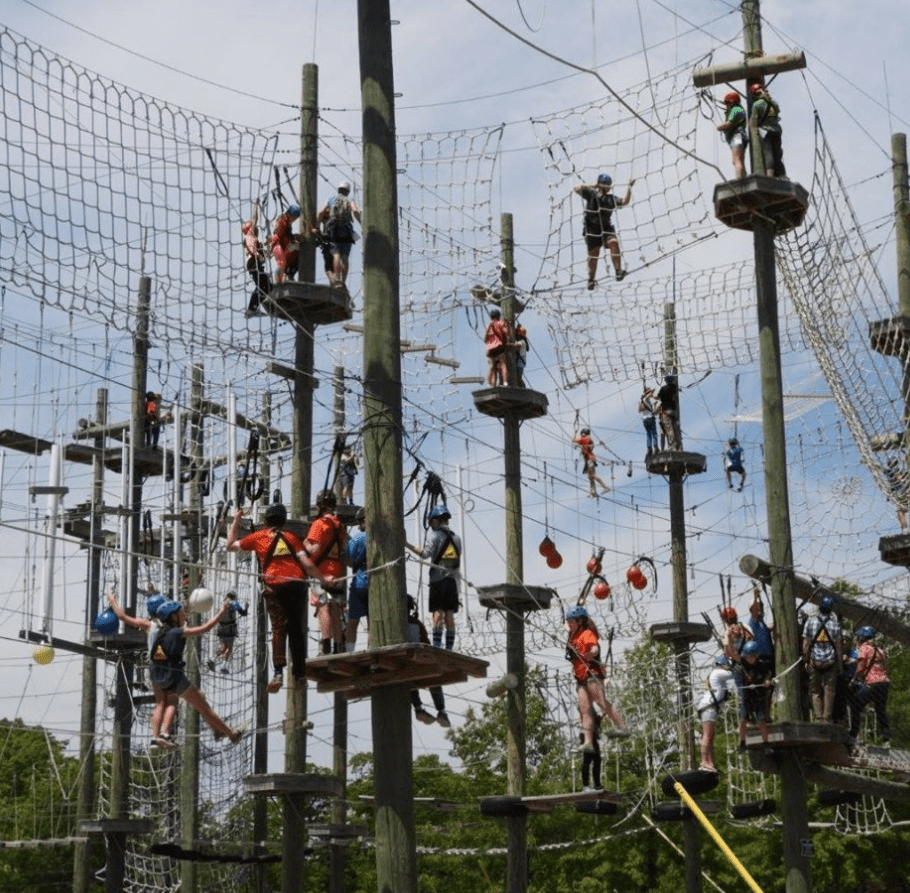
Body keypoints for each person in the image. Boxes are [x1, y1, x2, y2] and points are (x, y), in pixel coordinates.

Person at [227, 502, 335, 693]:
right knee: (296, 629)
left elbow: (230, 546)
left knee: (278, 627)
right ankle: (300, 674)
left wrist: (236, 521)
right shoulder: (292, 538)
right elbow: (307, 565)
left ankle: (278, 672)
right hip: (296, 585)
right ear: (284, 521)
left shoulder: (258, 537)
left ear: (266, 521)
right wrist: (323, 579)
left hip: (274, 587)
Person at [564, 606, 626, 757]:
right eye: (569, 622)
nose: (570, 625)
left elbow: (595, 648)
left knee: (600, 701)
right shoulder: (573, 636)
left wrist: (588, 655)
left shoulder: (586, 634)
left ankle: (623, 727)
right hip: (580, 677)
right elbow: (566, 628)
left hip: (592, 673)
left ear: (580, 621)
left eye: (572, 622)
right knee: (585, 710)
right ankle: (588, 742)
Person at [407, 504, 462, 651]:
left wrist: (407, 545)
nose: (431, 525)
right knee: (449, 614)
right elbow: (456, 562)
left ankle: (437, 646)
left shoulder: (435, 535)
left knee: (437, 613)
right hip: (452, 581)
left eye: (432, 521)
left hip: (438, 581)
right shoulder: (457, 539)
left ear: (437, 520)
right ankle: (449, 648)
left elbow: (425, 554)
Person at [303, 489, 348, 654]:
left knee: (323, 608)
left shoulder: (319, 524)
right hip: (337, 570)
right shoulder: (339, 525)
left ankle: (326, 646)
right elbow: (343, 548)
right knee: (335, 608)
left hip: (321, 572)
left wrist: (304, 545)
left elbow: (314, 549)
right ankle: (338, 646)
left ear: (319, 506)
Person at [573, 173, 634, 289]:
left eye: (609, 185)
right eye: (606, 184)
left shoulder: (611, 198)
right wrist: (593, 185)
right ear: (600, 185)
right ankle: (591, 280)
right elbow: (576, 188)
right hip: (592, 229)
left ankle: (618, 271)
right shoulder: (591, 194)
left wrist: (629, 187)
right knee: (594, 253)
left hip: (606, 228)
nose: (608, 187)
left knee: (614, 243)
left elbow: (625, 201)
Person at [406, 596, 450, 727]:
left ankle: (418, 708)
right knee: (433, 678)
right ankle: (441, 710)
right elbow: (426, 643)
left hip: (404, 663)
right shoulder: (416, 623)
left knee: (408, 683)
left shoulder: (392, 624)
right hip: (419, 660)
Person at [801, 594, 843, 723]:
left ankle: (818, 717)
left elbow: (806, 644)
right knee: (829, 690)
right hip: (830, 661)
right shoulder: (835, 625)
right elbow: (838, 646)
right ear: (831, 610)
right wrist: (840, 664)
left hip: (815, 661)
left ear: (820, 608)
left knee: (815, 691)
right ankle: (827, 717)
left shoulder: (810, 622)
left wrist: (806, 660)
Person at [849, 627, 891, 746]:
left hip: (872, 683)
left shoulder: (864, 648)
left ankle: (853, 734)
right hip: (884, 682)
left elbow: (861, 667)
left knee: (856, 705)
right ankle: (886, 736)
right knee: (880, 709)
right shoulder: (879, 649)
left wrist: (855, 678)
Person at [316, 181, 362, 287]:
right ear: (348, 191)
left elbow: (320, 213)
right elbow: (355, 212)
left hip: (334, 229)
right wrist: (361, 224)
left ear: (338, 189)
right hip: (346, 229)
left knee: (336, 254)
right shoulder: (350, 200)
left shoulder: (331, 199)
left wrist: (318, 227)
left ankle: (337, 280)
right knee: (345, 256)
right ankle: (343, 281)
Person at [696, 655, 738, 771]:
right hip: (709, 707)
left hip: (710, 707)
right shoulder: (718, 672)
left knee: (710, 736)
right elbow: (734, 674)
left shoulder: (717, 675)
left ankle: (709, 762)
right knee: (707, 735)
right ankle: (704, 762)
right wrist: (738, 662)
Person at [737, 641, 773, 750]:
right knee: (743, 720)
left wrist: (767, 682)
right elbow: (738, 682)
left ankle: (766, 743)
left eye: (752, 656)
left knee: (761, 721)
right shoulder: (741, 667)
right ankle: (742, 743)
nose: (750, 658)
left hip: (758, 696)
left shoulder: (761, 665)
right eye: (748, 656)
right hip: (746, 697)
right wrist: (746, 684)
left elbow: (768, 675)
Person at [748, 82, 786, 178]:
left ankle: (770, 176)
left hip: (766, 132)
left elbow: (753, 122)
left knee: (768, 154)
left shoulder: (757, 105)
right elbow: (778, 111)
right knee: (778, 155)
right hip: (776, 131)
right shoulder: (773, 103)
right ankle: (782, 175)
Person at [345, 507, 368, 651]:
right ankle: (373, 651)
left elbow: (349, 559)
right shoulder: (382, 535)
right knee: (374, 622)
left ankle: (349, 651)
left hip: (360, 584)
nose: (359, 525)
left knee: (353, 621)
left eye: (360, 521)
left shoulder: (358, 538)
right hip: (377, 585)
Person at [241, 218, 272, 314]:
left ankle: (257, 305)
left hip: (255, 264)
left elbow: (260, 251)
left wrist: (266, 252)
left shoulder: (254, 240)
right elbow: (252, 250)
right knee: (262, 286)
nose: (257, 232)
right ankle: (252, 308)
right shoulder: (249, 238)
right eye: (255, 230)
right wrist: (259, 255)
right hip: (254, 264)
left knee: (268, 286)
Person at [717, 91, 748, 180]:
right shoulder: (739, 109)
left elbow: (729, 124)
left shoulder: (735, 109)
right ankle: (743, 178)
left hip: (737, 136)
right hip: (740, 136)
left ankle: (740, 181)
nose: (726, 106)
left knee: (736, 160)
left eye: (726, 104)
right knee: (739, 159)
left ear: (730, 102)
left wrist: (719, 127)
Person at [212, 591, 248, 666]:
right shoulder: (234, 603)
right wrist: (246, 607)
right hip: (230, 628)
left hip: (221, 628)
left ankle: (213, 659)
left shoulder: (223, 603)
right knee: (229, 648)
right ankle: (224, 665)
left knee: (223, 647)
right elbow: (243, 613)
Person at [573, 427, 610, 498]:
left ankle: (605, 487)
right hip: (588, 460)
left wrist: (575, 433)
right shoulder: (588, 440)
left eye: (582, 434)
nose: (581, 435)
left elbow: (575, 440)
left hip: (590, 460)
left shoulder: (586, 439)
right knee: (590, 477)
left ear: (584, 433)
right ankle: (593, 492)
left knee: (592, 475)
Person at [270, 205, 300, 284]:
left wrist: (293, 238)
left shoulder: (285, 221)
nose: (295, 220)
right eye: (295, 217)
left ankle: (285, 277)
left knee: (290, 260)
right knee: (284, 262)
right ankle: (279, 279)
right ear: (291, 215)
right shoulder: (283, 221)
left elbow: (285, 235)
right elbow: (280, 234)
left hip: (283, 245)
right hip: (280, 245)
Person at [484, 307, 512, 387]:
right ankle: (505, 382)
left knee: (492, 367)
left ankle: (490, 383)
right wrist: (508, 325)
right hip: (499, 347)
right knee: (503, 365)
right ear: (498, 316)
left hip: (491, 349)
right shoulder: (500, 323)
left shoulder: (488, 326)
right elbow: (507, 333)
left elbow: (485, 339)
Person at [883, 457, 908, 532]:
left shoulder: (893, 472)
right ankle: (904, 526)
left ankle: (904, 526)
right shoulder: (893, 472)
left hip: (901, 492)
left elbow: (891, 485)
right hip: (900, 492)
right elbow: (897, 480)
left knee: (901, 510)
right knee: (901, 510)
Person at [657, 374, 680, 450]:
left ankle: (673, 446)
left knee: (669, 429)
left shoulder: (663, 389)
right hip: (674, 410)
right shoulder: (674, 388)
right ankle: (677, 445)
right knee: (675, 428)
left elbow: (658, 397)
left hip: (666, 411)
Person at [639, 387, 659, 456]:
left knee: (649, 435)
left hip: (645, 420)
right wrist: (651, 394)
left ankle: (649, 448)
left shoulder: (641, 401)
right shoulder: (646, 400)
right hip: (650, 418)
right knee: (654, 434)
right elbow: (646, 398)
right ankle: (655, 447)